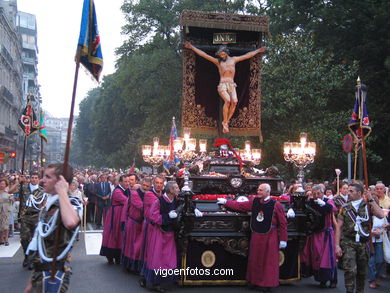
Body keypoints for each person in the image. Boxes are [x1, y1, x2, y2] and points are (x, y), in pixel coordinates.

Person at [217, 183, 287, 292]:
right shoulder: (254, 202)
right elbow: (240, 206)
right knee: (255, 259)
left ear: (267, 192)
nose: (258, 192)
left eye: (260, 190)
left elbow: (283, 223)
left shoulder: (276, 205)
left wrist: (283, 239)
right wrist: (226, 202)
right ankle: (254, 281)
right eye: (258, 190)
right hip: (257, 235)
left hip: (270, 236)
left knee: (268, 261)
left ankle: (267, 284)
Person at [183, 41, 267, 133]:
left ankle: (225, 122)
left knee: (234, 102)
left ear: (226, 53)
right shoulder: (218, 62)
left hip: (231, 84)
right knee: (228, 101)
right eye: (220, 55)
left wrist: (259, 50)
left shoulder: (234, 60)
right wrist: (191, 47)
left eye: (223, 54)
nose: (221, 56)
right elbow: (204, 55)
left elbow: (247, 55)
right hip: (222, 84)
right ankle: (225, 122)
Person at [24, 163, 82, 293]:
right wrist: (31, 280)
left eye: (48, 177)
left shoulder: (70, 203)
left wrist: (62, 192)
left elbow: (71, 222)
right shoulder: (49, 204)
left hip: (54, 274)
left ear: (60, 181)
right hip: (40, 271)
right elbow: (39, 244)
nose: (42, 180)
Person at [335, 183, 384, 293]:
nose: (349, 193)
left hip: (363, 243)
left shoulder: (367, 206)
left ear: (359, 193)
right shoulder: (345, 207)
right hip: (348, 242)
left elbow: (381, 214)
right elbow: (339, 227)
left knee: (362, 272)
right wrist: (337, 245)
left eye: (351, 191)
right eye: (348, 191)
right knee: (350, 270)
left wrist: (371, 199)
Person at [141, 181, 180, 293]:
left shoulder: (175, 200)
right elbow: (152, 216)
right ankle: (154, 282)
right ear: (171, 190)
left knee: (168, 259)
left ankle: (162, 280)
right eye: (176, 188)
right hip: (160, 233)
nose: (178, 189)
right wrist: (167, 217)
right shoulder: (159, 201)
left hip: (170, 233)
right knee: (157, 258)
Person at [300, 185, 337, 288]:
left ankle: (333, 279)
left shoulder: (327, 201)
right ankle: (322, 279)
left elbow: (333, 208)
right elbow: (303, 208)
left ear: (323, 193)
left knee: (328, 258)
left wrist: (324, 204)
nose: (316, 196)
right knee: (317, 256)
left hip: (326, 234)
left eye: (319, 194)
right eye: (314, 194)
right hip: (315, 233)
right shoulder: (311, 201)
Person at [11, 172, 46, 269]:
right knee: (25, 238)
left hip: (36, 217)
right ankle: (26, 256)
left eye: (36, 178)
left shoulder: (41, 191)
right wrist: (18, 182)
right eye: (32, 177)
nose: (34, 179)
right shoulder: (24, 188)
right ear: (29, 178)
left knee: (35, 239)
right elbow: (10, 191)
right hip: (25, 216)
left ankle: (31, 259)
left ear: (38, 179)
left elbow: (44, 203)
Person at [122, 177, 152, 271]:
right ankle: (130, 266)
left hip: (142, 223)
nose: (145, 187)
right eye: (144, 185)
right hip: (134, 223)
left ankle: (137, 266)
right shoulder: (135, 194)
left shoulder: (149, 194)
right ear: (141, 184)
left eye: (147, 186)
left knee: (139, 247)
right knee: (132, 246)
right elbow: (141, 206)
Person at [100, 174, 130, 264]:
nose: (127, 183)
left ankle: (118, 255)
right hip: (116, 215)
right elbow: (127, 200)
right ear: (120, 182)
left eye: (128, 181)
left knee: (120, 235)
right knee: (113, 234)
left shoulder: (127, 190)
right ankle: (110, 255)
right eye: (125, 181)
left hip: (122, 214)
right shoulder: (117, 191)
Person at [0, 178, 13, 246]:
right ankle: (1, 239)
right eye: (1, 184)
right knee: (0, 225)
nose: (2, 185)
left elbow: (12, 199)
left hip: (6, 210)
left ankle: (6, 239)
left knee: (6, 225)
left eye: (3, 184)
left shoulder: (7, 192)